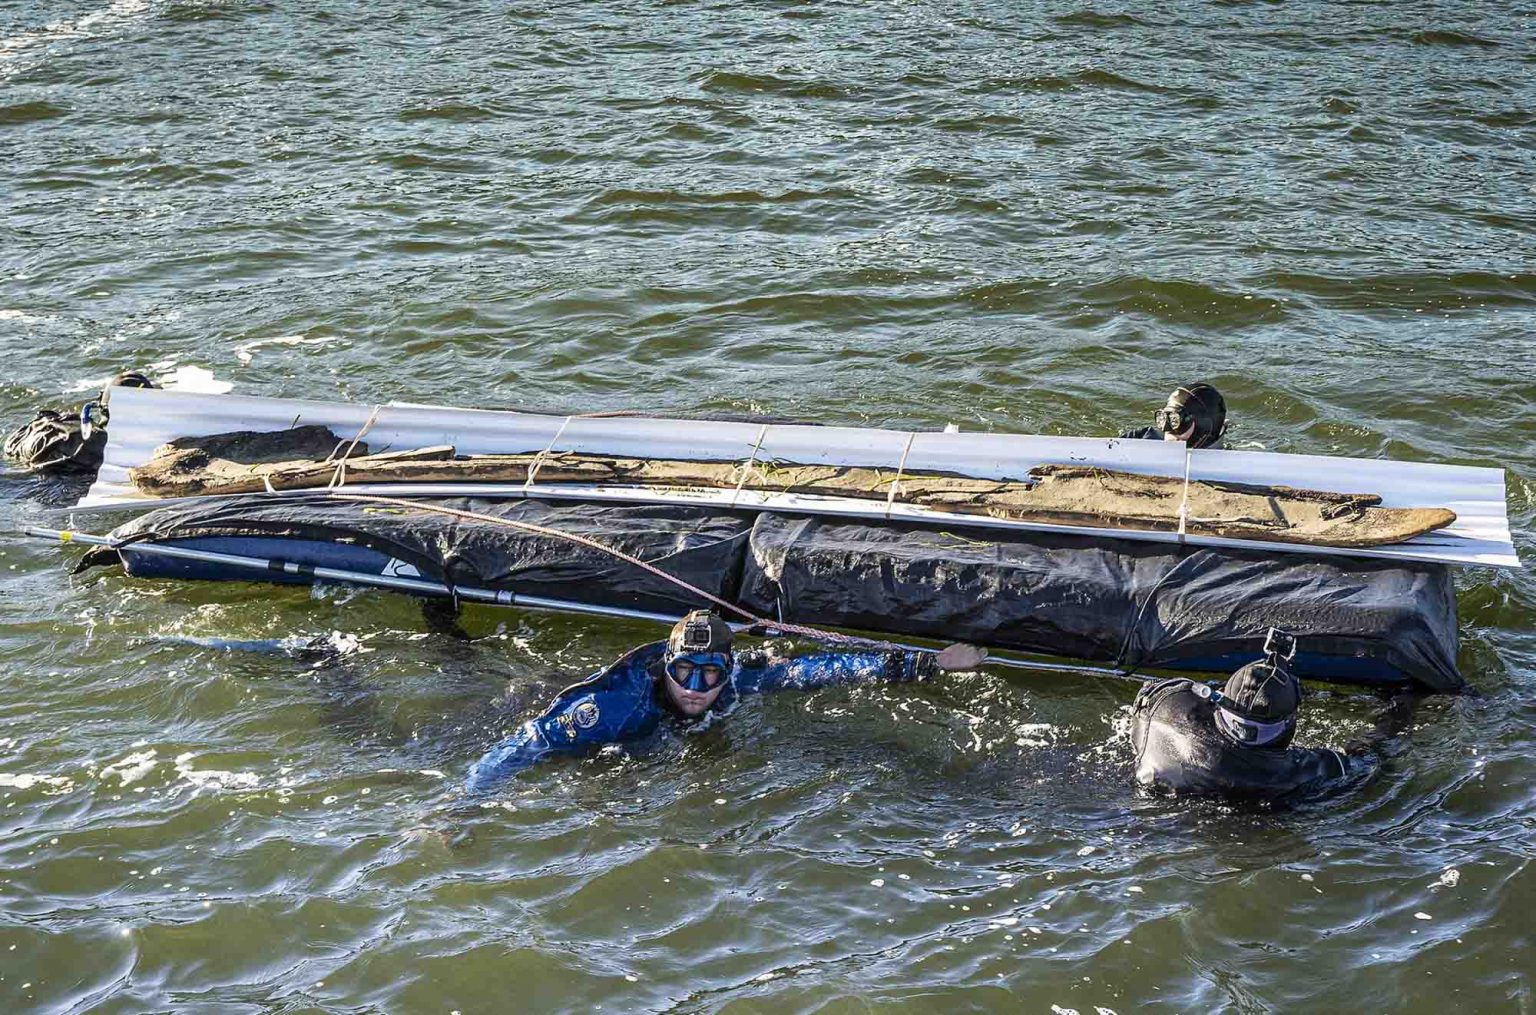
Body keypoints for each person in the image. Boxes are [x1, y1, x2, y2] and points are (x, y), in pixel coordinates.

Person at [465, 610, 985, 794]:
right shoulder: (614, 706)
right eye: (683, 672)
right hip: (578, 718)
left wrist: (925, 664)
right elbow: (525, 743)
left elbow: (814, 671)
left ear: (729, 669)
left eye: (709, 672)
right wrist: (460, 805)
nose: (695, 686)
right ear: (665, 668)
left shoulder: (740, 683)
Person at [1128, 630, 1374, 801]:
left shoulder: (1166, 710)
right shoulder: (1302, 773)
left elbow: (1155, 692)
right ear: (1288, 724)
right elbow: (1365, 761)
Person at [1122, 383, 1227, 449]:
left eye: (1178, 422)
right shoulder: (1141, 439)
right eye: (1168, 419)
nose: (1170, 434)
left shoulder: (1231, 466)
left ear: (1203, 426)